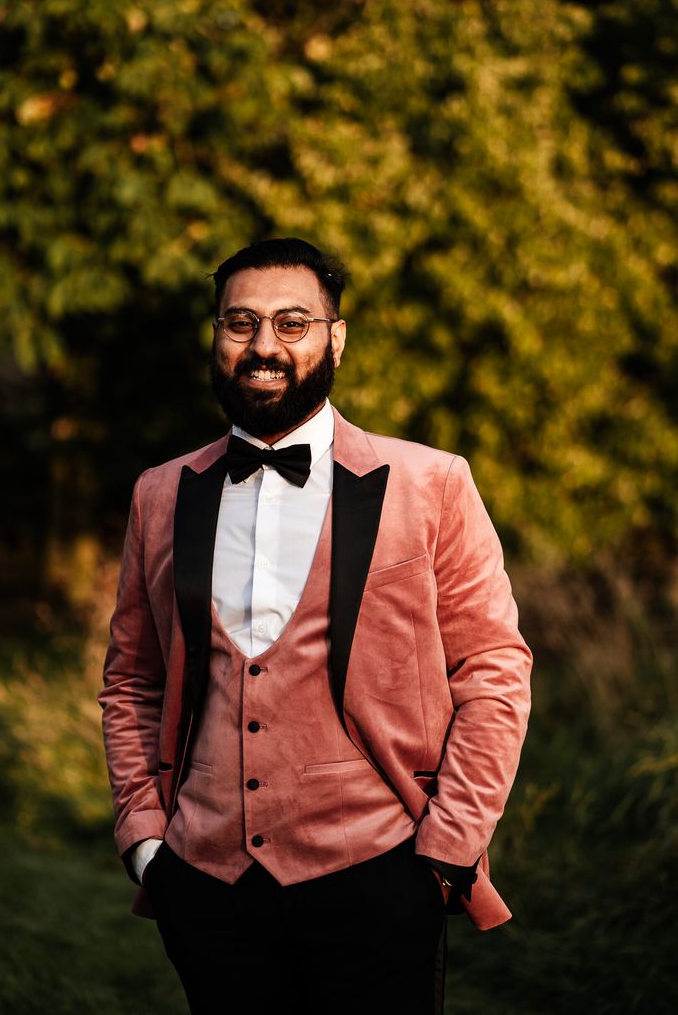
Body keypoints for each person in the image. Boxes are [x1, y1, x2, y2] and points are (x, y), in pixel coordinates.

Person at [99, 237, 532, 1015]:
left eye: (292, 323)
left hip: (383, 878)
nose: (264, 346)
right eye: (241, 323)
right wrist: (145, 841)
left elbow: (495, 670)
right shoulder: (160, 495)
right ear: (216, 335)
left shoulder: (433, 483)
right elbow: (133, 678)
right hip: (206, 887)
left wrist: (446, 850)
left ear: (335, 338)